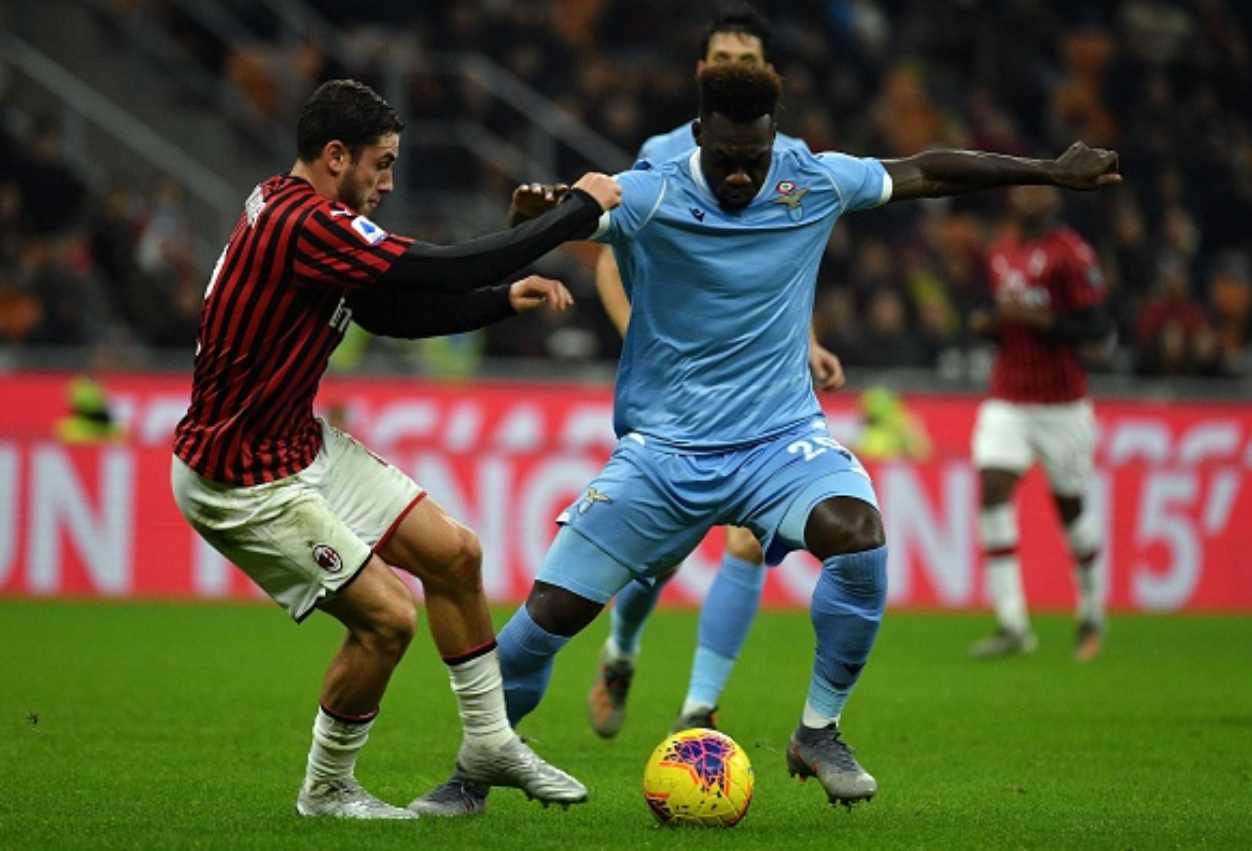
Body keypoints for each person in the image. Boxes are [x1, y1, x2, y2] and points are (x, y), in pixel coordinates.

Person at [419, 63, 1119, 814]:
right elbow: (576, 217)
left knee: (860, 535)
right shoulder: (652, 191)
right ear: (698, 136)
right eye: (725, 159)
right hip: (663, 454)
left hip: (778, 444)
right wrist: (540, 214)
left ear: (772, 138)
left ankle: (819, 729)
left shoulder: (810, 178)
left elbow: (928, 171)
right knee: (542, 624)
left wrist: (1048, 170)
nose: (741, 175)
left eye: (754, 158)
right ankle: (472, 772)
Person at [169, 79, 620, 820]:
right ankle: (326, 789)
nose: (387, 182)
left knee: (455, 554)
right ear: (335, 155)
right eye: (380, 164)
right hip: (239, 475)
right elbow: (438, 267)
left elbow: (393, 312)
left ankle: (489, 743)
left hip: (293, 442)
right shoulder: (303, 223)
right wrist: (580, 210)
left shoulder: (302, 215)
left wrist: (503, 300)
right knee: (388, 618)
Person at [588, 2, 847, 742]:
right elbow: (614, 255)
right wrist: (640, 334)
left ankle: (699, 706)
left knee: (744, 541)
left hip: (762, 402)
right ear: (703, 72)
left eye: (748, 60)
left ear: (770, 76)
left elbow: (774, 277)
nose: (735, 69)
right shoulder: (662, 151)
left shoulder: (790, 158)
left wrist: (808, 342)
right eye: (724, 58)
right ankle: (622, 648)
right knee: (654, 560)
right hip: (675, 397)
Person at [967, 185, 1112, 662]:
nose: (1030, 197)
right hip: (1008, 397)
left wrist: (1038, 320)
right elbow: (991, 314)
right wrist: (989, 324)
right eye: (1024, 189)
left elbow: (1097, 329)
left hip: (1062, 404)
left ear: (1053, 201)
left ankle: (1091, 609)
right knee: (991, 488)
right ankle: (1012, 623)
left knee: (1070, 508)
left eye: (1040, 190)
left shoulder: (1071, 253)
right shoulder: (1001, 251)